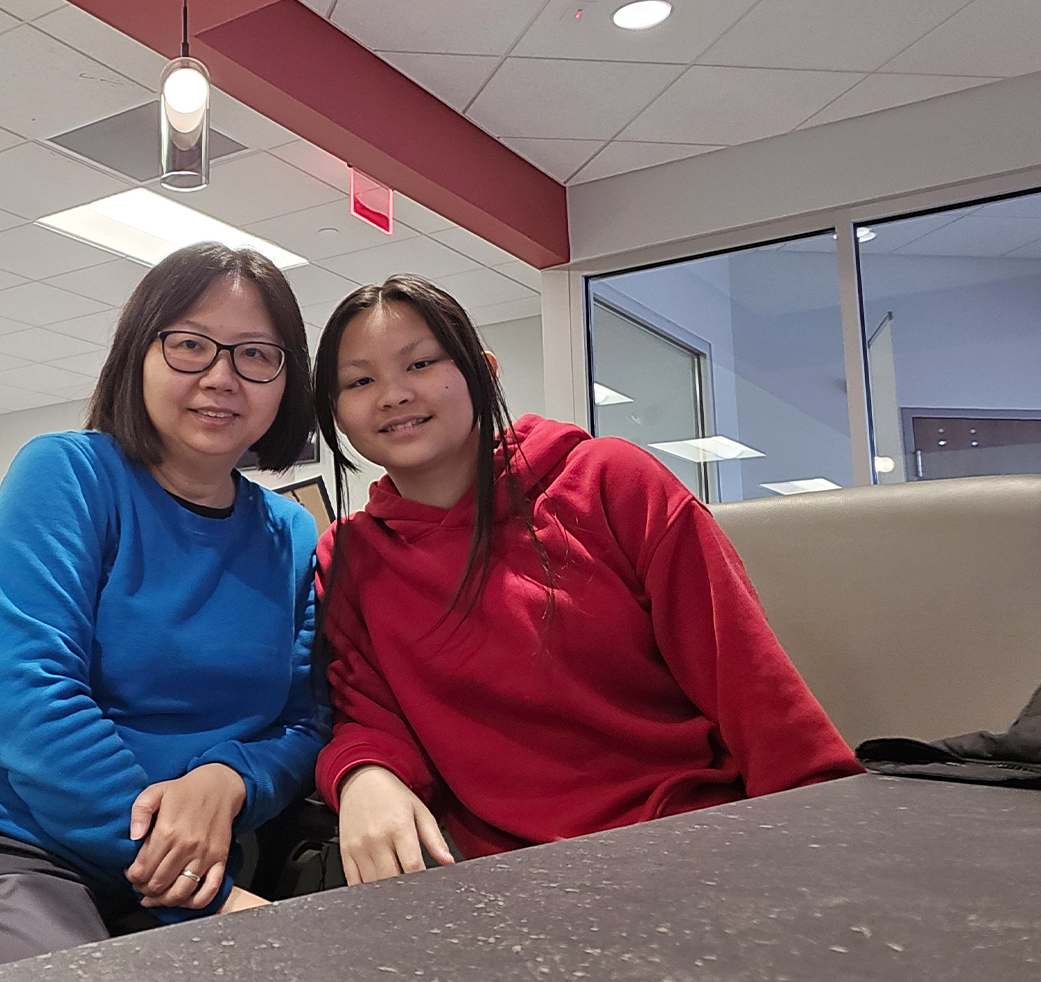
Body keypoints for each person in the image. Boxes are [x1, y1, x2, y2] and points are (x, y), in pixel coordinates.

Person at [0, 243, 328, 982]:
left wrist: (228, 779)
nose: (221, 377)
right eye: (190, 345)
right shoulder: (68, 474)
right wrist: (200, 894)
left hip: (187, 862)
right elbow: (31, 701)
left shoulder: (294, 534)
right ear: (138, 353)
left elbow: (302, 721)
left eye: (256, 355)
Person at [310, 274, 863, 886]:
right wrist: (362, 773)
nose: (392, 395)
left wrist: (830, 839)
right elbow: (364, 713)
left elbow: (747, 679)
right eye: (359, 381)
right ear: (335, 411)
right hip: (497, 886)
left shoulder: (610, 482)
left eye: (419, 363)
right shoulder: (350, 555)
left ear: (484, 371)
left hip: (689, 844)